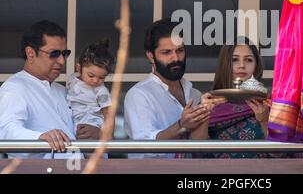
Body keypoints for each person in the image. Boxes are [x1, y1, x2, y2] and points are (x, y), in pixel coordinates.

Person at [124, 19, 225, 158]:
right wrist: (181, 126)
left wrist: (206, 114)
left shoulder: (194, 94)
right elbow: (146, 146)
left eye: (180, 50)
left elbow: (198, 149)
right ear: (151, 56)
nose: (175, 58)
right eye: (166, 52)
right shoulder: (139, 95)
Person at [0, 20, 100, 159]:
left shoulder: (62, 91)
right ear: (30, 53)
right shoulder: (15, 87)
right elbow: (6, 132)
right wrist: (40, 137)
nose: (61, 61)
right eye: (54, 54)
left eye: (65, 53)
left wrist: (95, 134)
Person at [206, 36, 273, 158]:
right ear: (225, 64)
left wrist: (264, 120)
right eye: (235, 60)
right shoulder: (210, 103)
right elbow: (198, 154)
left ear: (256, 65)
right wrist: (204, 114)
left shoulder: (269, 103)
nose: (241, 65)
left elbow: (281, 154)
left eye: (248, 60)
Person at [67, 39, 115, 140]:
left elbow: (109, 113)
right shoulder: (73, 79)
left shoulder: (101, 91)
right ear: (78, 68)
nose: (95, 81)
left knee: (91, 154)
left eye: (101, 77)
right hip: (74, 125)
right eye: (91, 75)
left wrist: (108, 134)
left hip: (93, 126)